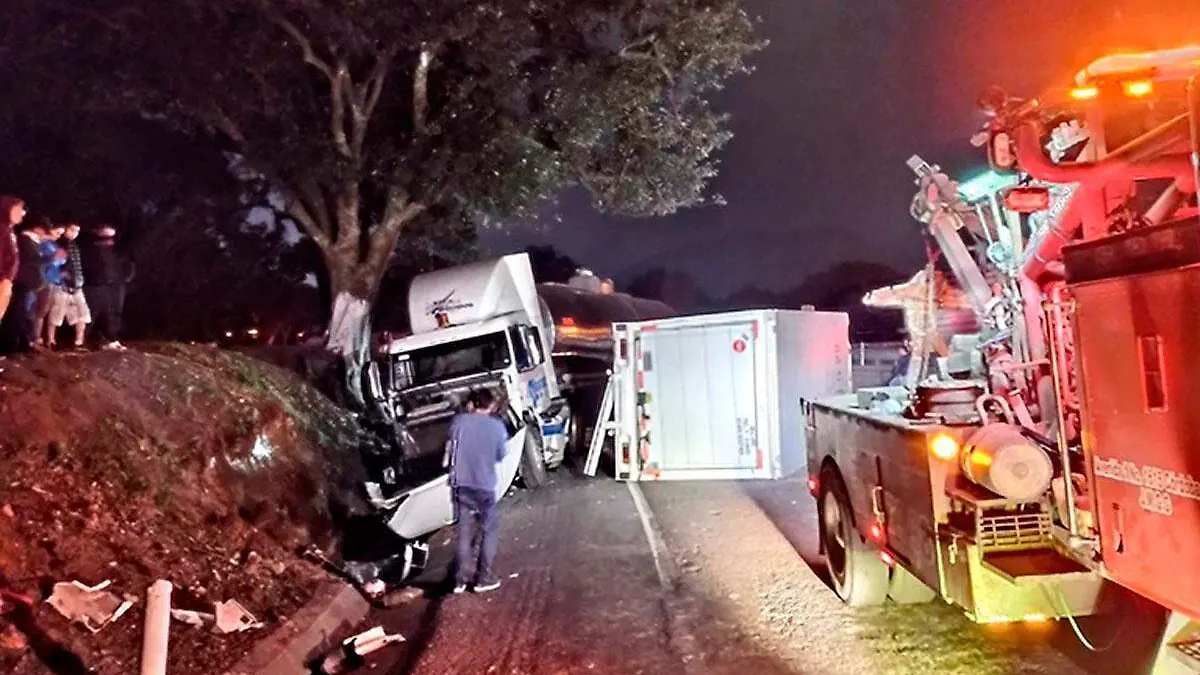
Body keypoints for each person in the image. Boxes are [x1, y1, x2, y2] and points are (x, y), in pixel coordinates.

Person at [445, 389, 511, 594]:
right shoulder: (497, 427)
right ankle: (484, 578)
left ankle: (460, 580)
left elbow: (450, 448)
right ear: (491, 406)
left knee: (463, 531)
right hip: (484, 486)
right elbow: (501, 455)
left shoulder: (458, 423)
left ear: (472, 404)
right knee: (488, 530)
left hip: (461, 485)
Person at [82, 224, 133, 351]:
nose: (109, 239)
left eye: (111, 236)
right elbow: (88, 266)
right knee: (92, 312)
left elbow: (129, 264)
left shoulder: (119, 250)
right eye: (105, 235)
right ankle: (82, 340)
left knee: (115, 312)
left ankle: (112, 339)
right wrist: (95, 280)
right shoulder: (90, 250)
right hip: (96, 286)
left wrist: (126, 278)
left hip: (116, 285)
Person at [48, 223, 91, 350]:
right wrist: (61, 276)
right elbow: (55, 264)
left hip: (77, 285)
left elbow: (78, 266)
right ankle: (50, 340)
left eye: (77, 230)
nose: (75, 233)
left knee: (82, 314)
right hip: (62, 285)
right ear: (65, 230)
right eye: (72, 230)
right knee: (56, 314)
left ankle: (79, 342)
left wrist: (79, 280)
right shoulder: (59, 244)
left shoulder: (75, 246)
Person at [13, 219, 51, 352]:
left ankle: (26, 342)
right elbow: (31, 261)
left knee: (29, 314)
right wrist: (51, 258)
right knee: (22, 314)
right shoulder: (24, 241)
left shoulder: (32, 243)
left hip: (32, 286)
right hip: (25, 284)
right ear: (37, 229)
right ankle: (19, 344)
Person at [33, 222, 67, 349]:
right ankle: (35, 338)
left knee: (46, 311)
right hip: (44, 281)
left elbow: (61, 260)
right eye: (57, 232)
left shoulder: (54, 244)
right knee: (40, 311)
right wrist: (54, 258)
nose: (59, 236)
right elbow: (40, 262)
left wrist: (62, 274)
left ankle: (44, 338)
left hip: (54, 281)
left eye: (61, 234)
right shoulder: (42, 244)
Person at [0, 196, 24, 331]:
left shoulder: (9, 231)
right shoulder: (2, 230)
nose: (22, 213)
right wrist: (3, 277)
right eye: (17, 209)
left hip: (7, 280)